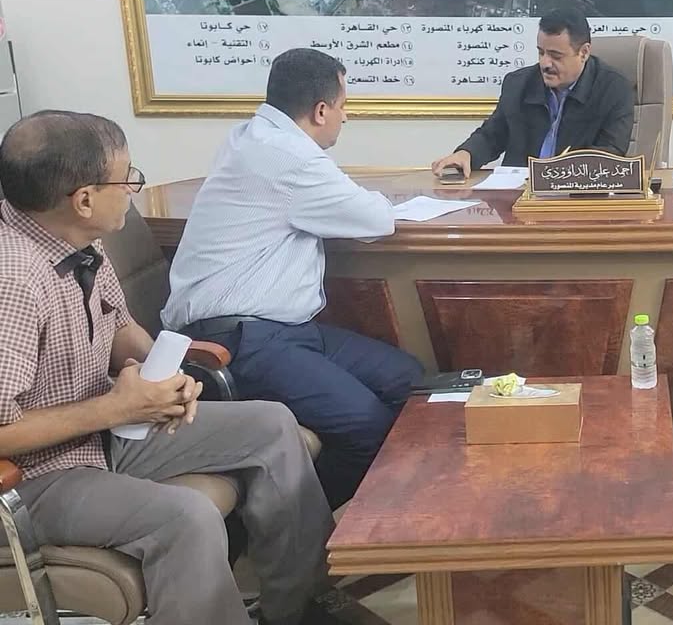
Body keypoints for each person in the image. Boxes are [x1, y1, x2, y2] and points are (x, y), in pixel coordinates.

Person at [0, 111, 336, 625]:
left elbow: (119, 326)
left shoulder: (75, 236)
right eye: (127, 178)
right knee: (188, 516)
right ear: (84, 199)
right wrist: (116, 408)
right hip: (33, 478)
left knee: (273, 424)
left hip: (104, 433)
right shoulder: (14, 280)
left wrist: (169, 381)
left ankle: (294, 610)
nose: (133, 189)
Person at [161, 48, 424, 509]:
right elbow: (377, 219)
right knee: (366, 427)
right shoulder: (288, 156)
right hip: (240, 340)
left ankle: (382, 515)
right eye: (343, 106)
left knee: (409, 382)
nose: (345, 117)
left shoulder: (252, 136)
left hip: (286, 330)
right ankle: (300, 533)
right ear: (321, 111)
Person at [430, 9, 635, 178]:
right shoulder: (518, 84)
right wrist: (466, 154)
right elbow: (492, 135)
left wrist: (555, 177)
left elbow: (610, 154)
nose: (545, 63)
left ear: (584, 52)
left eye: (555, 56)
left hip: (577, 198)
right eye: (541, 52)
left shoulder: (614, 89)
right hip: (518, 197)